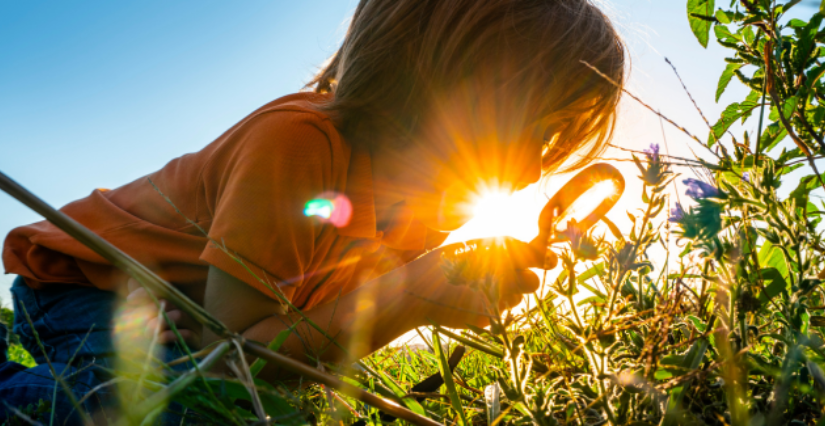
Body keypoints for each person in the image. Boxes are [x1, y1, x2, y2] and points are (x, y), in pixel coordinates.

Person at [0, 0, 626, 422]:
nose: (536, 168)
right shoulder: (298, 145)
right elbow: (235, 357)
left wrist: (429, 296)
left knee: (266, 406)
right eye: (530, 127)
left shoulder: (427, 210)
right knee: (189, 409)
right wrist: (411, 294)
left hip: (209, 313)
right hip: (89, 282)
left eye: (553, 140)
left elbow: (313, 342)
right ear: (436, 83)